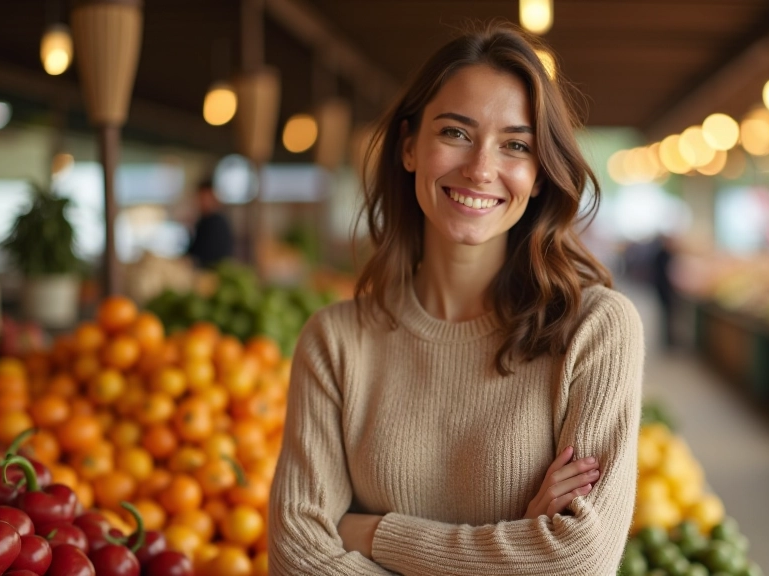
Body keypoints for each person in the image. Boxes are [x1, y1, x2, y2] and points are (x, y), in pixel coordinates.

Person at [268, 23, 644, 575]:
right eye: (456, 133)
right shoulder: (335, 341)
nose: (481, 168)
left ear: (539, 175)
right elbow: (298, 558)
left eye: (515, 145)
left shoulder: (595, 330)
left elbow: (575, 561)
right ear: (409, 147)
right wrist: (517, 545)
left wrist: (368, 531)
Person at [185, 178, 234, 268]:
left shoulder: (218, 223)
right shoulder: (202, 222)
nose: (202, 202)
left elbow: (210, 254)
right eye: (200, 198)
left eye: (205, 198)